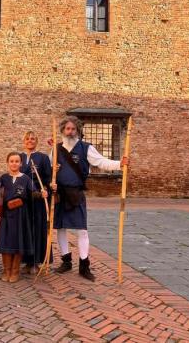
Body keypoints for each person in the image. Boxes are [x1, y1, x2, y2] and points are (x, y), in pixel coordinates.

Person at [51, 116, 129, 281]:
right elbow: (49, 170)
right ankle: (66, 261)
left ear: (78, 130)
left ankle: (84, 266)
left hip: (76, 194)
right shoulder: (55, 150)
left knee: (82, 230)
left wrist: (119, 164)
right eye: (67, 129)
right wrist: (52, 172)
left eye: (73, 129)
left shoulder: (86, 148)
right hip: (60, 195)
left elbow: (101, 162)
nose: (70, 132)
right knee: (60, 228)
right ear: (62, 130)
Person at [0, 152, 39, 283]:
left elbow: (33, 193)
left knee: (18, 242)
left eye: (17, 161)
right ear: (7, 163)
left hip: (21, 215)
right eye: (11, 161)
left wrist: (41, 194)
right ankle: (6, 270)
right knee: (6, 242)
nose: (14, 164)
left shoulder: (26, 179)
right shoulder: (3, 178)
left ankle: (15, 271)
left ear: (20, 163)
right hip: (6, 215)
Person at [20, 131, 51, 275]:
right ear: (24, 141)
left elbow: (48, 178)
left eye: (33, 138)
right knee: (25, 229)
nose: (30, 141)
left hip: (37, 199)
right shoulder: (19, 157)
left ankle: (35, 261)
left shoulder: (43, 158)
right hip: (22, 199)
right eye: (27, 139)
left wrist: (48, 188)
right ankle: (25, 261)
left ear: (36, 141)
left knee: (37, 229)